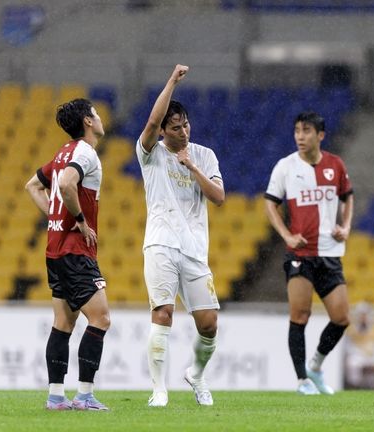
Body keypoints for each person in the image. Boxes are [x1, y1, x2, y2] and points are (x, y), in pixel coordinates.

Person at [138, 64, 225, 407]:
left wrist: (193, 167)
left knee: (209, 324)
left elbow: (218, 198)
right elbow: (148, 124)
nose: (184, 131)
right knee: (162, 313)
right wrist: (172, 80)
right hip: (160, 243)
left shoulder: (204, 155)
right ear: (162, 132)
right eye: (175, 128)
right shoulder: (151, 154)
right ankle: (159, 389)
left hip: (194, 249)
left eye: (186, 124)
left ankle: (197, 374)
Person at [25, 98, 110, 411]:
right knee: (101, 318)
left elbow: (33, 185)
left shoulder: (63, 152)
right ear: (88, 121)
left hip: (54, 248)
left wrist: (54, 215)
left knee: (63, 323)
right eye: (96, 113)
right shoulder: (85, 152)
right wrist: (79, 221)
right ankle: (85, 396)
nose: (100, 118)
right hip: (76, 250)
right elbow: (66, 182)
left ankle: (56, 397)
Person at [264, 111, 354, 395]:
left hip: (329, 252)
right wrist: (287, 235)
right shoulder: (285, 167)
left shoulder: (335, 165)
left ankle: (316, 365)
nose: (300, 137)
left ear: (320, 135)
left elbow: (348, 196)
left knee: (341, 318)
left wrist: (346, 226)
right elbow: (270, 204)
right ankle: (302, 379)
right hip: (299, 255)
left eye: (306, 131)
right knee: (300, 316)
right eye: (297, 131)